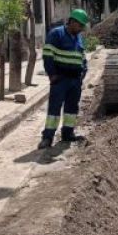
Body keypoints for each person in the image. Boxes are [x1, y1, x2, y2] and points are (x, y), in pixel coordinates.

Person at [38, 8, 89, 149]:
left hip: (75, 80)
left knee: (71, 109)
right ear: (72, 22)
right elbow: (48, 55)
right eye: (80, 25)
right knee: (54, 109)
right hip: (60, 79)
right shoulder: (56, 34)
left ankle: (68, 133)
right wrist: (52, 75)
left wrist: (84, 71)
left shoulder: (78, 37)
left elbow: (82, 57)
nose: (81, 29)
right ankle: (47, 138)